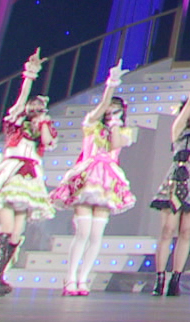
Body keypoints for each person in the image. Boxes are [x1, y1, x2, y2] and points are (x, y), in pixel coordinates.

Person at [0, 49, 55, 298]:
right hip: (11, 171)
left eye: (40, 106)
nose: (36, 108)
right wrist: (30, 75)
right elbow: (20, 100)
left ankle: (0, 276)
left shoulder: (43, 128)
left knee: (17, 231)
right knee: (5, 226)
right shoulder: (15, 124)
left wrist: (44, 122)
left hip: (30, 176)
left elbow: (47, 142)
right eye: (33, 105)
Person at [49, 64, 134, 296]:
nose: (111, 111)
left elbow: (115, 145)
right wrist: (111, 85)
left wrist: (115, 124)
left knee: (96, 235)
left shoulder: (124, 131)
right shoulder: (91, 124)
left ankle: (83, 279)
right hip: (88, 177)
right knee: (82, 232)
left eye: (117, 109)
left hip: (108, 181)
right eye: (110, 108)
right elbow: (100, 108)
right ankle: (70, 279)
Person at [148, 64, 190, 297]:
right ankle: (160, 278)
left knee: (186, 231)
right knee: (168, 229)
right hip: (177, 178)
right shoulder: (179, 129)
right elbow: (185, 112)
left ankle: (176, 278)